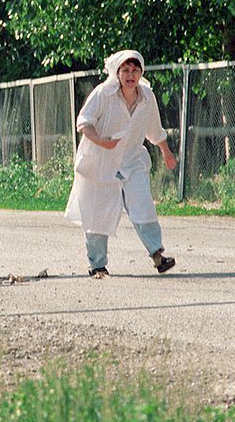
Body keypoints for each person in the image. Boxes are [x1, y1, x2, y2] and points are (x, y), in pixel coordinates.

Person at [64, 49, 178, 279]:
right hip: (101, 161)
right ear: (117, 72)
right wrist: (100, 142)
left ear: (141, 73)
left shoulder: (147, 97)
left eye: (135, 70)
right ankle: (97, 265)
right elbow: (84, 123)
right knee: (98, 213)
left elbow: (154, 130)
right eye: (125, 69)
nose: (130, 74)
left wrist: (166, 152)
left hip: (132, 160)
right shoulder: (103, 94)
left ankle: (158, 255)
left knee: (143, 204)